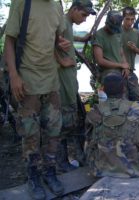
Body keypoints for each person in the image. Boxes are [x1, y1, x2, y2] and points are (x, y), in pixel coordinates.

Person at [3, 1, 71, 199]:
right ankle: (33, 176)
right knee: (31, 135)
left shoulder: (57, 6)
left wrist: (61, 43)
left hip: (51, 81)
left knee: (54, 131)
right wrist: (14, 75)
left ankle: (50, 173)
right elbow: (9, 41)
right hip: (28, 82)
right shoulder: (22, 3)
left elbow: (55, 39)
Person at [84, 72, 139, 178]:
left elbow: (88, 135)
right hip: (136, 170)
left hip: (99, 170)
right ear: (123, 89)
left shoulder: (94, 111)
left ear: (104, 90)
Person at [55, 0, 96, 173]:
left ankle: (75, 157)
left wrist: (81, 38)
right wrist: (61, 60)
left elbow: (64, 40)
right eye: (84, 14)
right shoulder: (61, 22)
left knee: (75, 119)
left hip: (69, 82)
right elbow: (46, 43)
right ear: (74, 9)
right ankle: (62, 162)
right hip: (63, 83)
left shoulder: (67, 24)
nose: (85, 19)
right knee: (65, 122)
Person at [91, 10, 130, 95]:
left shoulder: (118, 33)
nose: (114, 31)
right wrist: (120, 65)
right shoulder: (99, 35)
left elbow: (121, 53)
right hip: (108, 70)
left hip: (121, 68)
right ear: (107, 23)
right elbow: (100, 61)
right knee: (119, 91)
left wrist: (125, 66)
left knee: (134, 89)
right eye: (112, 28)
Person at [121, 6, 139, 102]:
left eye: (132, 19)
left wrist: (135, 49)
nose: (130, 22)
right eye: (127, 19)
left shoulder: (137, 34)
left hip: (130, 71)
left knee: (138, 99)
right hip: (116, 70)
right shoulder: (116, 32)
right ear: (122, 18)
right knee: (122, 100)